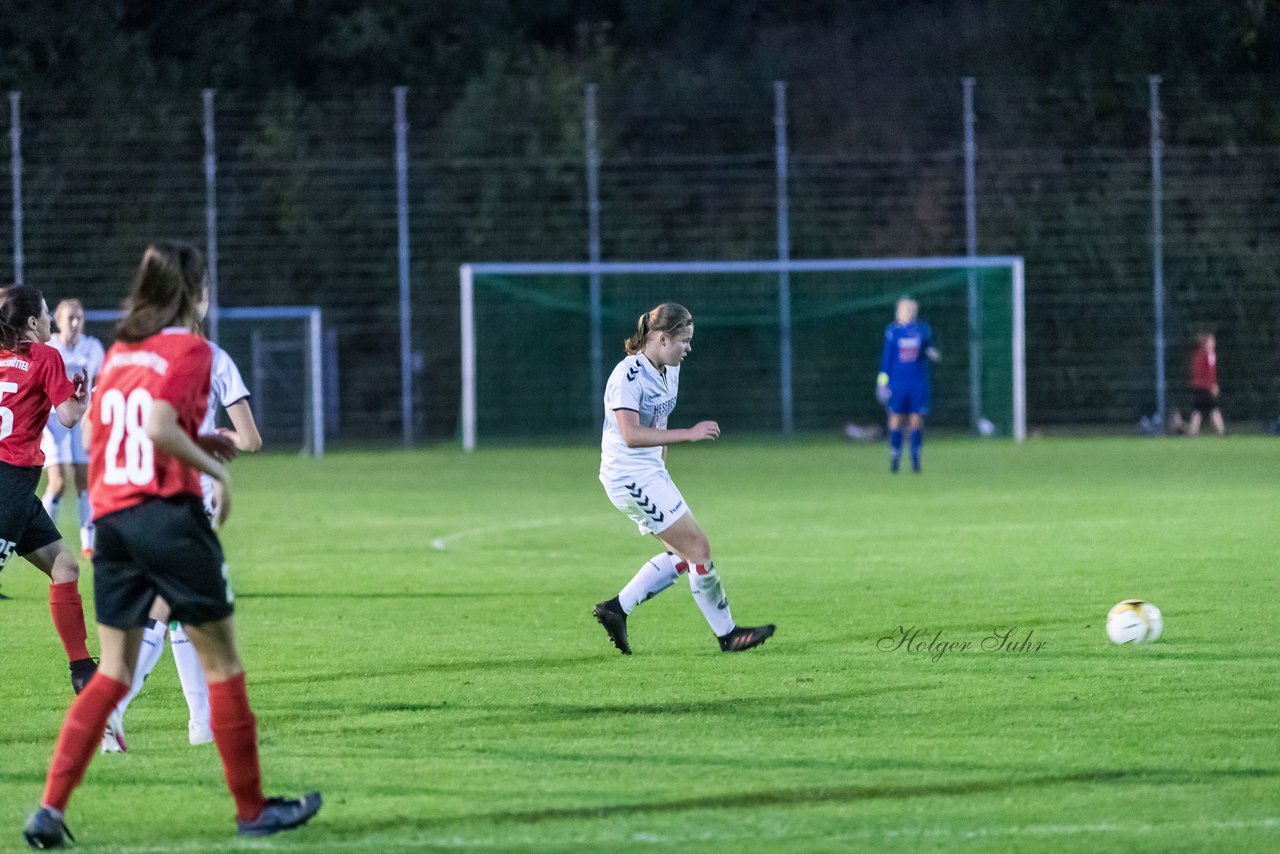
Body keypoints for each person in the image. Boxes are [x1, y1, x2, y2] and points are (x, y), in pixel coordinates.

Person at [23, 242, 319, 849]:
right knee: (224, 665)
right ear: (193, 294)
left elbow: (113, 433)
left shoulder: (126, 355)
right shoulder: (193, 349)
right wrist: (215, 471)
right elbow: (159, 427)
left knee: (112, 673)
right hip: (169, 520)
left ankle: (48, 810)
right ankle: (252, 810)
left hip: (114, 523)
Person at [104, 330, 262, 753]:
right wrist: (214, 442)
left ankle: (200, 725)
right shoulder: (211, 356)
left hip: (136, 488)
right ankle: (114, 709)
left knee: (178, 606)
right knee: (176, 603)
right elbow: (250, 440)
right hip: (192, 491)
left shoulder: (134, 353)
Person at [591, 303, 775, 656]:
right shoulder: (627, 376)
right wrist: (688, 434)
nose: (688, 348)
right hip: (627, 475)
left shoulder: (669, 368)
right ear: (662, 338)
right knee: (698, 549)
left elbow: (657, 424)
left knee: (683, 554)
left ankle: (616, 609)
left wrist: (662, 467)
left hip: (650, 472)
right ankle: (728, 635)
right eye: (684, 341)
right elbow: (630, 435)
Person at [0, 285, 99, 695]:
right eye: (45, 313)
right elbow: (70, 418)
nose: (51, 322)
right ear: (33, 323)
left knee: (65, 567)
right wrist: (84, 394)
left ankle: (81, 670)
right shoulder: (45, 356)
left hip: (19, 492)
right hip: (9, 484)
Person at [40, 299, 106, 558]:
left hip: (82, 421)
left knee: (83, 482)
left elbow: (101, 381)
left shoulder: (93, 347)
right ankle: (40, 538)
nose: (76, 323)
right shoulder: (50, 346)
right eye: (70, 318)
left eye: (79, 317)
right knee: (56, 483)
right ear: (58, 321)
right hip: (53, 422)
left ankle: (88, 544)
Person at [876, 297, 939, 473]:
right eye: (903, 309)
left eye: (910, 309)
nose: (907, 312)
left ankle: (915, 461)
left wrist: (932, 352)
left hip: (917, 382)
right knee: (895, 418)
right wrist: (882, 383)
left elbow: (929, 348)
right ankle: (895, 458)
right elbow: (886, 359)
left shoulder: (922, 330)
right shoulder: (892, 331)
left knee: (916, 420)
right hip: (897, 382)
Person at [1188, 332, 1225, 437]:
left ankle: (1193, 432)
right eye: (1211, 341)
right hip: (1206, 387)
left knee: (1197, 410)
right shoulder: (1209, 354)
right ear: (1206, 343)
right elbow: (1210, 371)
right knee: (1214, 409)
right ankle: (1221, 432)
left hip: (1196, 386)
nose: (1213, 343)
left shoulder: (1196, 354)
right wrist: (1213, 385)